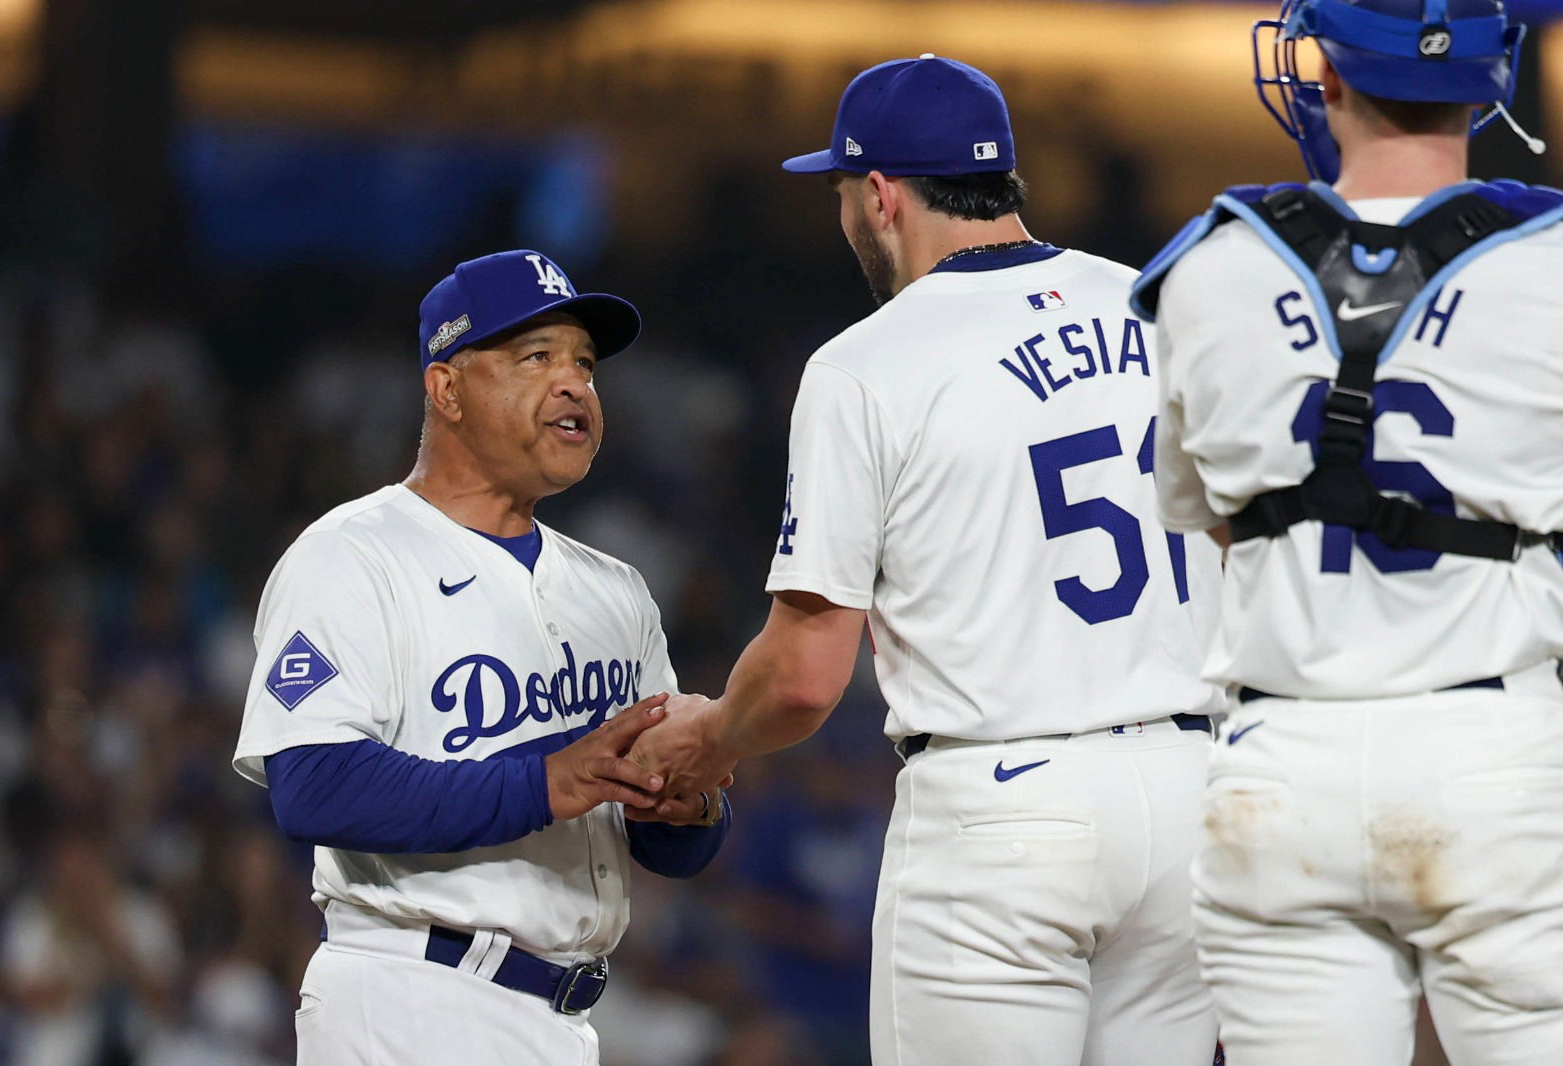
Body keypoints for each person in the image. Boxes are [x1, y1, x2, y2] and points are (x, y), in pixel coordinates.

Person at [631, 55, 1225, 1066]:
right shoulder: (1157, 306)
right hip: (1191, 794)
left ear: (879, 194)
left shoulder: (868, 363)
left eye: (841, 196)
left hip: (1003, 809)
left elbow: (808, 678)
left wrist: (711, 736)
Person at [1129, 1, 1563, 1062]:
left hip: (1283, 762)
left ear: (1322, 70)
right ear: (1492, 75)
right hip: (1491, 748)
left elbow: (1204, 519)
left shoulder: (1205, 269)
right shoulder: (1549, 263)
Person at [231, 250, 732, 1066]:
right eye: (536, 357)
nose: (573, 385)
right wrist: (548, 780)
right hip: (409, 1000)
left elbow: (670, 847)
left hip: (565, 1014)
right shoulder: (353, 556)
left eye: (584, 364)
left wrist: (686, 807)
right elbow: (311, 787)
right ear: (447, 387)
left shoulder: (617, 591)